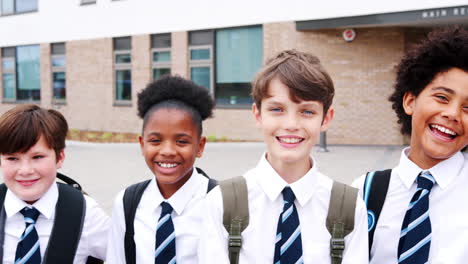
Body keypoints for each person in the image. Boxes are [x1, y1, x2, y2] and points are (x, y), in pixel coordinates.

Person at [198, 50, 368, 263]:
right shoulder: (221, 202)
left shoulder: (349, 207)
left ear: (326, 119)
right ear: (258, 114)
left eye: (307, 112)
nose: (291, 125)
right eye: (277, 109)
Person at [353, 27, 468, 264]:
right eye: (442, 98)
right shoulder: (365, 191)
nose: (452, 114)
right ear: (410, 101)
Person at [106, 75, 216, 264]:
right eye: (155, 140)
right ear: (142, 144)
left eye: (181, 141)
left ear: (200, 146)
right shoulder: (127, 203)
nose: (167, 151)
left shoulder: (219, 202)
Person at [0, 104, 109, 263]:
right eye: (12, 158)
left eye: (37, 157)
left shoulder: (86, 214)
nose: (25, 170)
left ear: (60, 158)